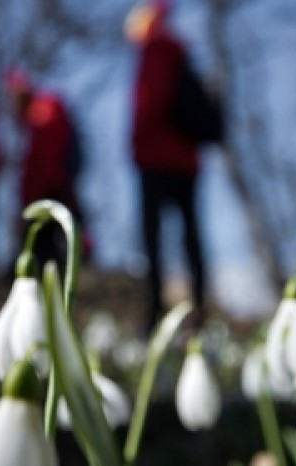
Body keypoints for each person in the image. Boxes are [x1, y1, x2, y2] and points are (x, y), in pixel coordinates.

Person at [126, 0, 208, 332]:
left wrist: (136, 141)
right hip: (186, 161)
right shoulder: (180, 52)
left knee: (153, 239)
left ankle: (155, 313)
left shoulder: (155, 51)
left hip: (155, 159)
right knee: (191, 236)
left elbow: (150, 101)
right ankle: (198, 308)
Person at [6, 71, 88, 273]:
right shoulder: (38, 114)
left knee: (45, 247)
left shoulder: (41, 113)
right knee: (50, 246)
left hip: (48, 193)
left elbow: (44, 162)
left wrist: (33, 198)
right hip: (51, 190)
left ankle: (55, 286)